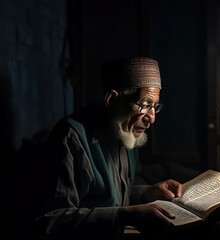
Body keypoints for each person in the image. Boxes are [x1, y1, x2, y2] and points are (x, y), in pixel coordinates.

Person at [32, 57, 184, 239]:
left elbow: (114, 195)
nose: (151, 118)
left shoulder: (126, 131)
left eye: (154, 106)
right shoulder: (71, 137)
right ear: (112, 100)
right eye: (144, 105)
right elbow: (50, 220)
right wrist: (125, 215)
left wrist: (147, 192)